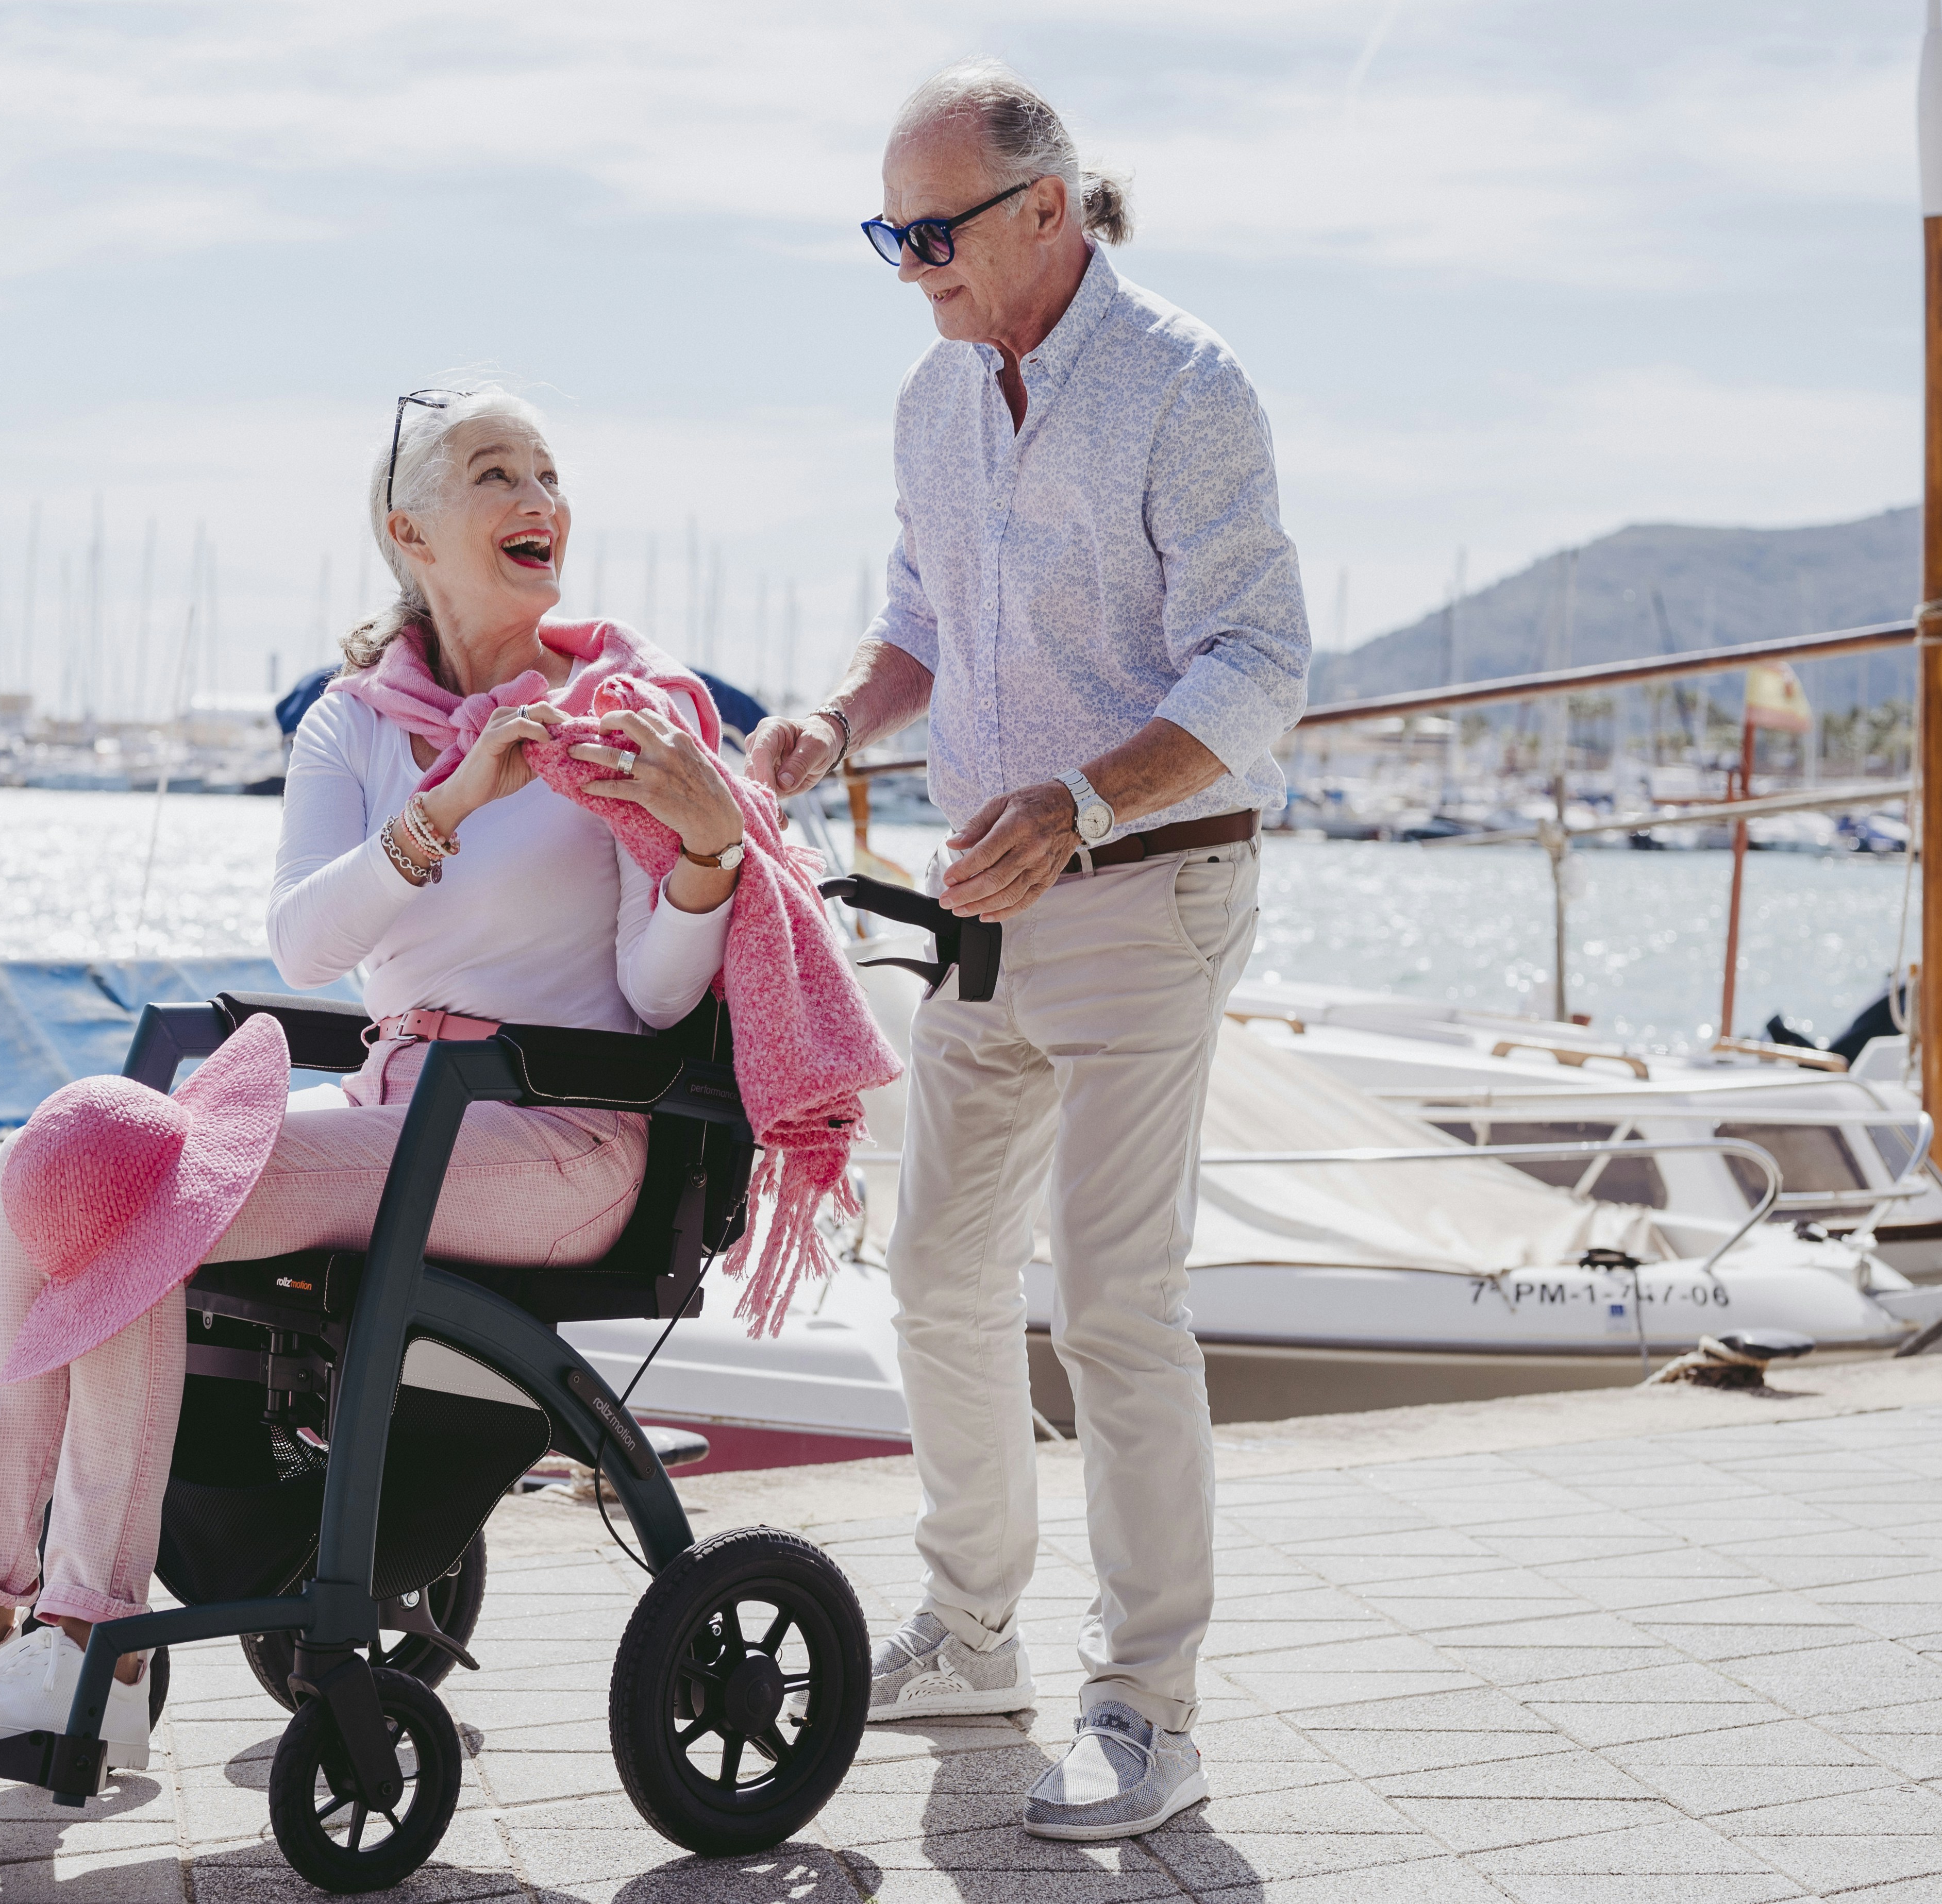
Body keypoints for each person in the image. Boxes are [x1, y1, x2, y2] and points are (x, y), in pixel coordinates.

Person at [0, 386, 749, 1763]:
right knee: (59, 1166)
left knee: (138, 1183)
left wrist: (706, 851)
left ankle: (83, 1649)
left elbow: (654, 995)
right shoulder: (356, 725)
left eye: (550, 474)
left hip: (563, 1144)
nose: (538, 499)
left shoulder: (629, 712)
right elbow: (304, 940)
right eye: (494, 473)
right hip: (402, 1110)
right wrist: (450, 803)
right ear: (410, 531)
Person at [749, 61, 1310, 1841]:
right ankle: (972, 1628)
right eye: (886, 235)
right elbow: (918, 620)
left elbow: (1255, 669)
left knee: (1120, 1304)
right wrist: (832, 724)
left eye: (932, 231)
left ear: (1044, 210)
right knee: (933, 1279)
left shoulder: (1185, 387)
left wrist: (1077, 801)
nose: (909, 265)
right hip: (980, 918)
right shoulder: (932, 398)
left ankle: (1148, 1708)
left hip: (1148, 895)